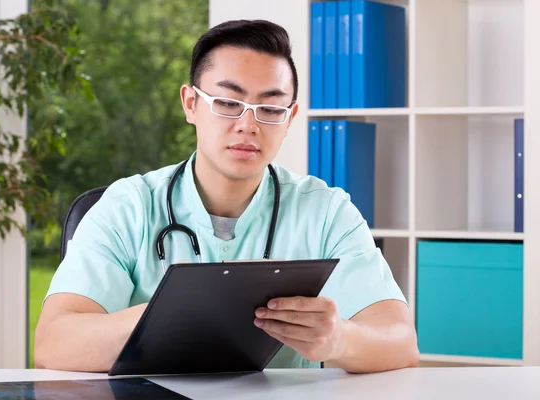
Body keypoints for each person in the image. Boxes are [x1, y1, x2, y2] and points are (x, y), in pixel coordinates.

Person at [34, 19, 419, 373]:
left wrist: (340, 339)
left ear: (289, 118)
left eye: (269, 108)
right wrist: (164, 315)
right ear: (191, 104)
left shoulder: (325, 211)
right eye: (228, 103)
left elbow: (401, 344)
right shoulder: (127, 206)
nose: (248, 125)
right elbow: (54, 344)